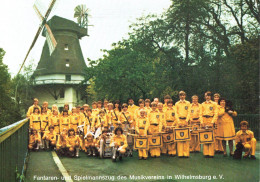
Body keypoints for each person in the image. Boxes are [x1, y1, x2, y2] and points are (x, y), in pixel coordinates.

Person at [201, 91, 218, 158]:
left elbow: (216, 113)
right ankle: (206, 153)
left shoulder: (214, 104)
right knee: (205, 136)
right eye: (206, 95)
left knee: (211, 136)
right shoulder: (202, 104)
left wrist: (212, 122)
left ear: (210, 97)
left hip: (211, 119)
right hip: (204, 119)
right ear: (204, 97)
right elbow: (200, 114)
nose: (207, 97)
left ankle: (211, 153)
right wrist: (202, 122)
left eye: (208, 95)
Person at [175, 91, 190, 158]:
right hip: (179, 121)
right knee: (179, 137)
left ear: (185, 96)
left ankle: (186, 153)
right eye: (181, 95)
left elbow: (189, 112)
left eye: (183, 95)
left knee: (186, 138)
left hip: (186, 121)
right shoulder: (177, 103)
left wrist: (186, 121)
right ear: (179, 96)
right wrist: (179, 122)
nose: (182, 96)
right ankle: (180, 153)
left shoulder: (188, 103)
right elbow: (175, 113)